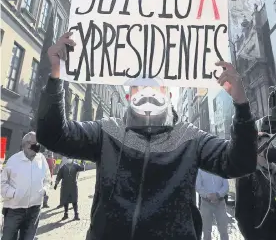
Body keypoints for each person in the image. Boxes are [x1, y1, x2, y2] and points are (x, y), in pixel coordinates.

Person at [36, 32, 258, 240]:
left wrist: (241, 104)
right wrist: (56, 76)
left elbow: (240, 162)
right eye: (139, 88)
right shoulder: (106, 132)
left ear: (168, 96)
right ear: (128, 95)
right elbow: (53, 135)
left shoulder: (190, 138)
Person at [235, 132, 276, 240]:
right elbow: (242, 215)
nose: (269, 148)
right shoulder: (246, 177)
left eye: (270, 145)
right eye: (266, 145)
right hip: (262, 234)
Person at [1, 132, 51, 240]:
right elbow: (2, 183)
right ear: (25, 144)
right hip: (15, 209)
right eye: (33, 143)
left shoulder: (41, 159)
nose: (36, 146)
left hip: (34, 210)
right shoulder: (13, 161)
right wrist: (14, 194)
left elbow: (48, 179)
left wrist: (44, 190)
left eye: (37, 144)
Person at [196, 169, 229, 240]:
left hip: (220, 203)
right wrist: (208, 196)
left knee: (224, 230)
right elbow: (198, 186)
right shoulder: (200, 170)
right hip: (206, 203)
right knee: (206, 231)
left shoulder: (221, 169)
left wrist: (217, 195)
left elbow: (226, 186)